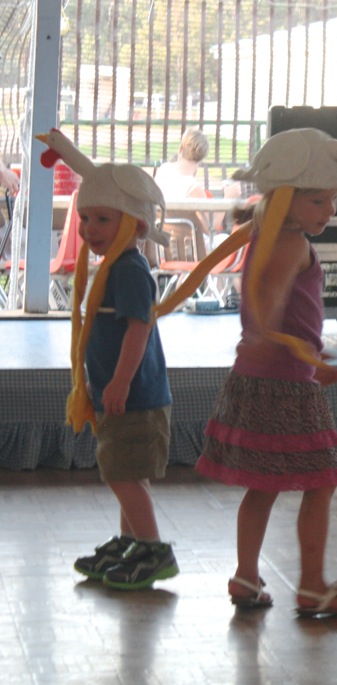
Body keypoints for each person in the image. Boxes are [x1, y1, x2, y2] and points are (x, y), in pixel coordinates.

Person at [190, 128, 337, 615]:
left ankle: (246, 576)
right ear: (286, 198)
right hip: (284, 384)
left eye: (333, 200)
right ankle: (312, 584)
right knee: (321, 481)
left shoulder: (269, 233)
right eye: (319, 201)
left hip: (257, 379)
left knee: (265, 484)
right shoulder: (290, 244)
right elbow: (267, 313)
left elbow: (264, 316)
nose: (328, 211)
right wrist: (308, 359)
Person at [35, 129, 179, 591]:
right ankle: (130, 543)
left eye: (102, 219)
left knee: (121, 473)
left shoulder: (131, 271)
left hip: (134, 395)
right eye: (86, 219)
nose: (89, 230)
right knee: (125, 470)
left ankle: (153, 550)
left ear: (135, 224)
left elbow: (140, 329)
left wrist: (118, 381)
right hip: (120, 394)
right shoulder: (114, 268)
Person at [154, 127, 210, 199]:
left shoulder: (162, 170)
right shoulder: (194, 189)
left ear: (181, 149)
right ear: (201, 159)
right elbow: (207, 209)